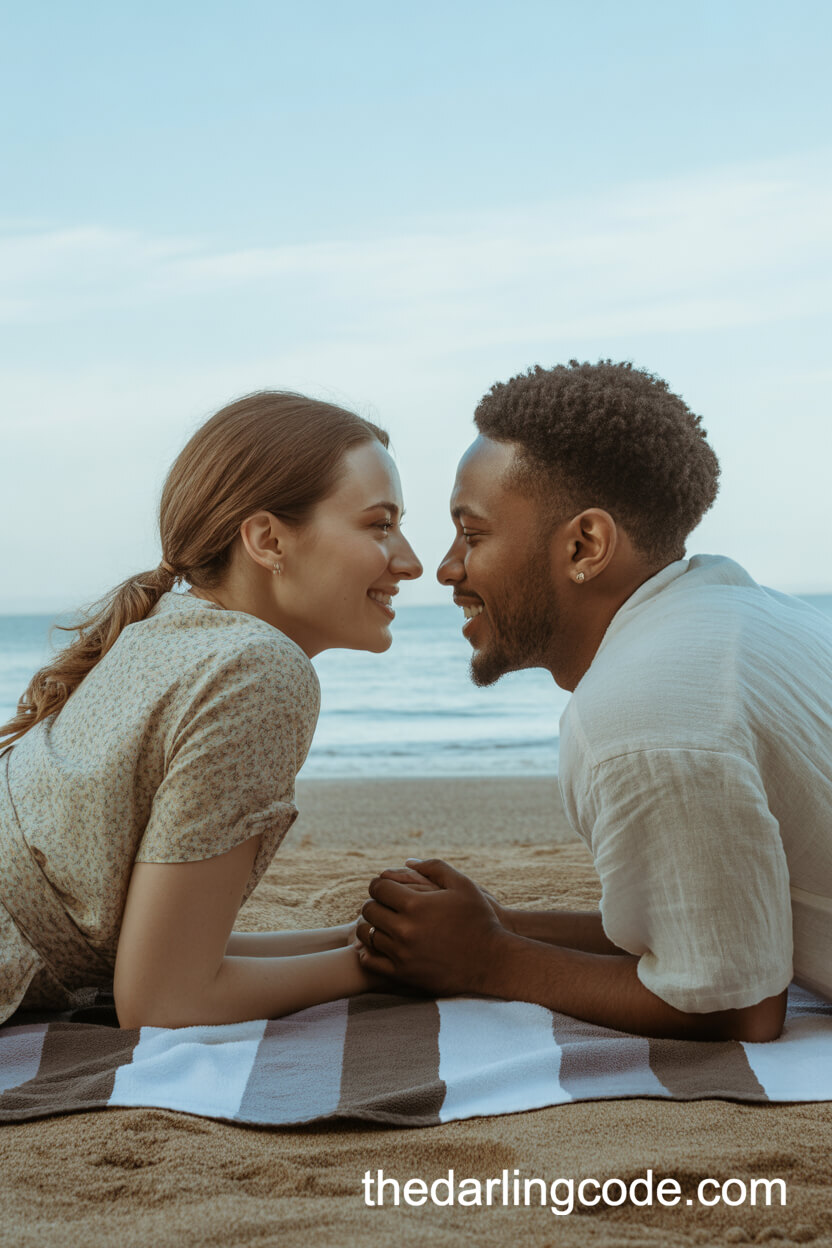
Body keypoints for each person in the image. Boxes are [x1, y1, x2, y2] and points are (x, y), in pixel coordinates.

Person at [356, 359, 832, 1043]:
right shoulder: (734, 617)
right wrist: (502, 923)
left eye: (474, 532)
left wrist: (487, 960)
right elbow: (723, 921)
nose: (447, 567)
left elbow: (734, 1005)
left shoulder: (645, 716)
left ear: (585, 544)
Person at [0, 390, 422, 1029]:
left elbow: (158, 958)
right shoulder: (257, 668)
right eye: (379, 524)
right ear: (267, 539)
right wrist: (385, 968)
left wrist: (357, 942)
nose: (411, 561)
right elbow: (165, 1001)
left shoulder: (174, 629)